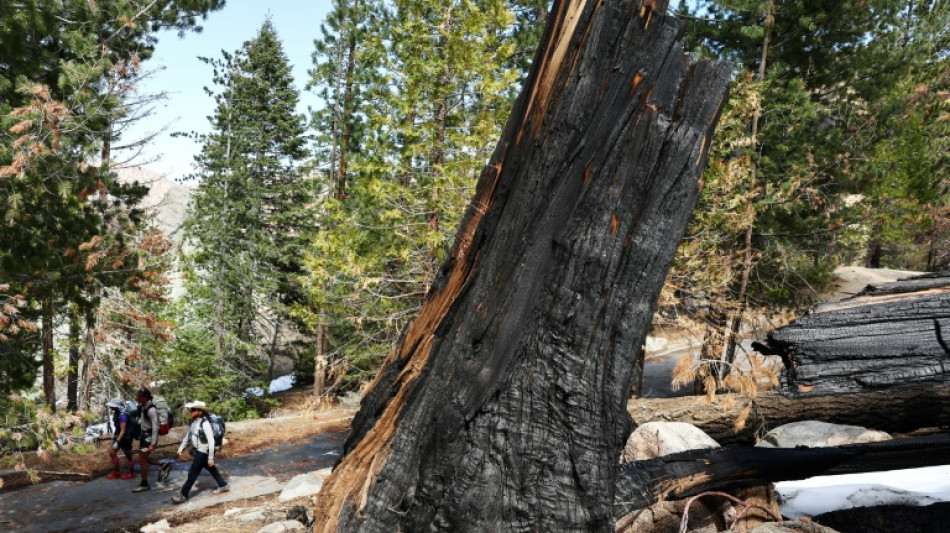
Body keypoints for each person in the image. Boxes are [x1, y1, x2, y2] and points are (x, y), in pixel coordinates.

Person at [171, 400, 229, 504]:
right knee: (210, 468)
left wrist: (211, 458)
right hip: (197, 450)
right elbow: (188, 436)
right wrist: (181, 448)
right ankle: (223, 485)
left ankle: (184, 495)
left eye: (193, 410)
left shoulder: (205, 423)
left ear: (200, 411)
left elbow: (211, 441)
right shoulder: (193, 422)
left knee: (193, 472)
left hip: (203, 451)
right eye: (191, 409)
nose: (191, 411)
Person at [132, 387, 164, 492]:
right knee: (142, 458)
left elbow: (155, 427)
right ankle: (162, 464)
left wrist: (153, 443)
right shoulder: (142, 406)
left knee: (142, 460)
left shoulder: (151, 410)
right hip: (144, 436)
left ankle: (144, 483)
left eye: (139, 397)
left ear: (145, 397)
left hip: (149, 438)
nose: (137, 399)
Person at [103, 398, 135, 479]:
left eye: (112, 406)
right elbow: (118, 428)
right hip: (119, 437)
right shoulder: (116, 413)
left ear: (117, 407)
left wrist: (117, 441)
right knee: (112, 453)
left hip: (126, 438)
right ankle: (118, 472)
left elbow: (123, 430)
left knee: (128, 455)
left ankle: (132, 473)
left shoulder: (123, 416)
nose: (111, 407)